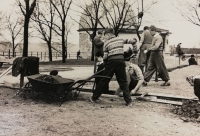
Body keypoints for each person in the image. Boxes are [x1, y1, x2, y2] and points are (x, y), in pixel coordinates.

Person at [90, 28, 132, 106]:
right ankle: (129, 101)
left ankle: (94, 98)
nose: (105, 37)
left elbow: (105, 57)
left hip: (111, 62)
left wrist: (105, 66)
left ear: (109, 34)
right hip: (121, 61)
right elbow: (131, 41)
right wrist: (134, 42)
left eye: (105, 36)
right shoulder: (120, 39)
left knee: (104, 80)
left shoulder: (106, 43)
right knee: (123, 81)